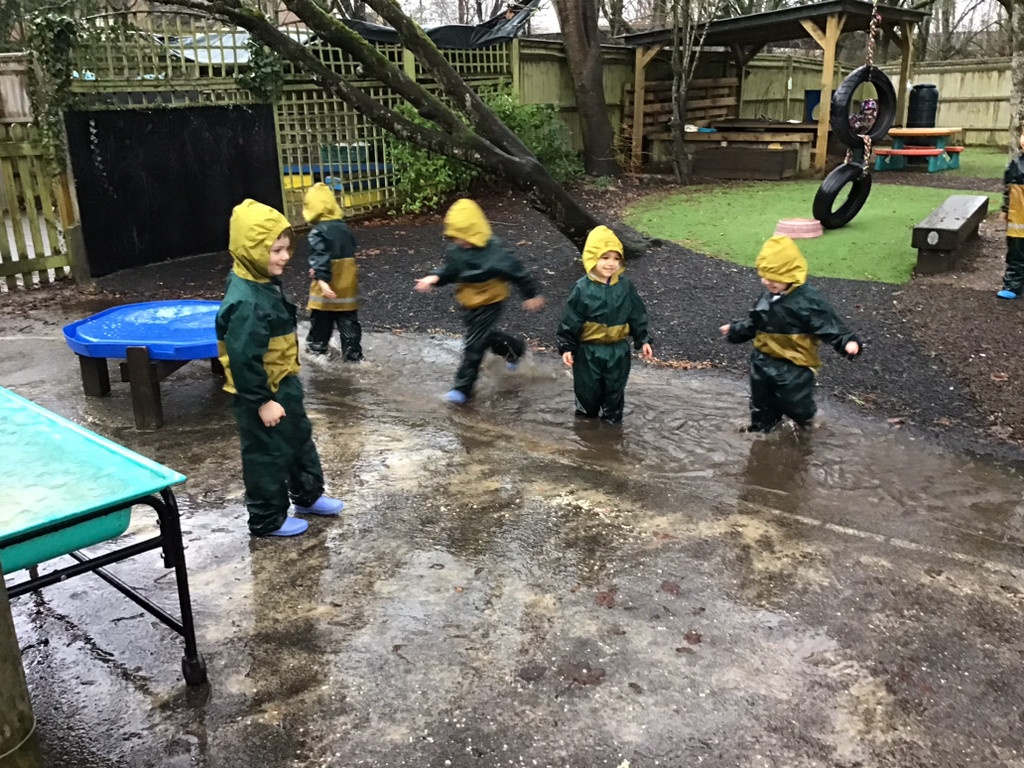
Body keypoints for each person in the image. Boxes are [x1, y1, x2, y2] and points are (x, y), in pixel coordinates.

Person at [216, 199, 346, 537]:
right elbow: (243, 358)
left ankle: (308, 495)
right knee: (266, 453)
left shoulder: (261, 280)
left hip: (283, 380)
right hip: (260, 391)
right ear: (251, 251)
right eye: (275, 250)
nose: (285, 256)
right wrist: (262, 401)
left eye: (287, 248)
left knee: (299, 437)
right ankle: (267, 517)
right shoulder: (247, 301)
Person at [719, 235, 861, 433]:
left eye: (773, 278)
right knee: (761, 403)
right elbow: (755, 323)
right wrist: (735, 330)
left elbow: (827, 323)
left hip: (795, 364)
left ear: (790, 275)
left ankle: (810, 422)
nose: (766, 282)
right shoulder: (768, 297)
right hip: (763, 360)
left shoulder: (807, 301)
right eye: (764, 276)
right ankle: (762, 431)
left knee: (795, 402)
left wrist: (846, 341)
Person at [414, 198, 545, 404]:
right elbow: (451, 271)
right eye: (456, 238)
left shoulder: (495, 251)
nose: (461, 242)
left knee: (474, 345)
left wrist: (530, 294)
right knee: (485, 337)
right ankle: (514, 349)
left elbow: (518, 272)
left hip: (490, 301)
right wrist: (435, 278)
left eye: (465, 237)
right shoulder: (456, 250)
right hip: (467, 301)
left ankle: (462, 390)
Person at [556, 225, 653, 425]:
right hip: (588, 351)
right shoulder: (582, 288)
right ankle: (586, 429)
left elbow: (637, 314)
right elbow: (571, 319)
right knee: (587, 391)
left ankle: (612, 427)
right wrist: (567, 346)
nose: (611, 264)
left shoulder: (625, 287)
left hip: (618, 351)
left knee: (615, 391)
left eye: (616, 258)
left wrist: (642, 339)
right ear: (593, 258)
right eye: (605, 257)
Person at [303, 182, 363, 360]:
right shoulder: (344, 228)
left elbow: (321, 256)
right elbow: (347, 251)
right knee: (349, 324)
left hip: (327, 289)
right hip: (347, 286)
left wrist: (322, 281)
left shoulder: (317, 232)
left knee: (321, 325)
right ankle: (353, 356)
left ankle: (316, 351)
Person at [997, 126, 1024, 299]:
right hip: (1018, 218)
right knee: (1016, 252)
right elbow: (1009, 190)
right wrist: (1005, 209)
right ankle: (1013, 285)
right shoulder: (1015, 164)